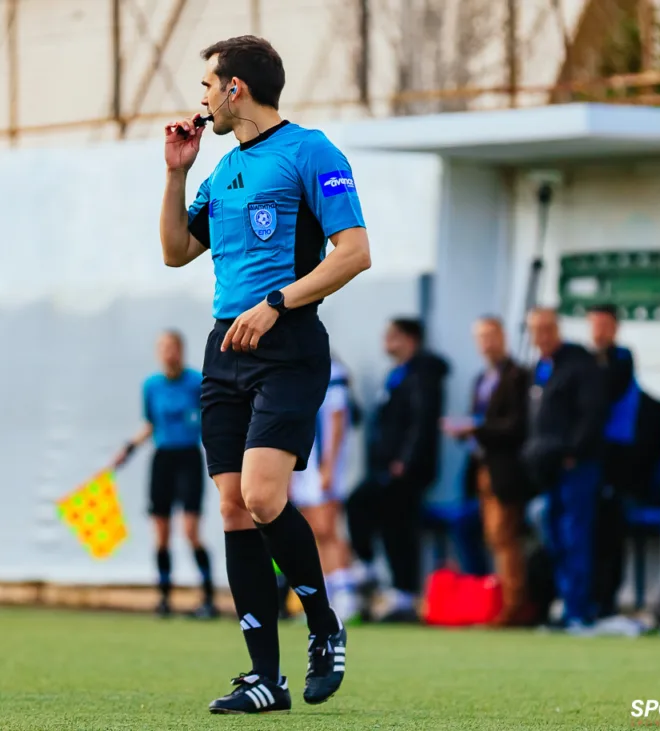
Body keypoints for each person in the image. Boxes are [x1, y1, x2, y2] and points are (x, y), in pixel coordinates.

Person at [160, 35, 372, 714]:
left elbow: (354, 253)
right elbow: (175, 251)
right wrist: (177, 173)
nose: (201, 98)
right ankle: (264, 678)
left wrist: (278, 302)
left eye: (207, 84)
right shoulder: (222, 169)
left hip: (289, 344)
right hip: (224, 348)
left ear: (235, 89)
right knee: (232, 506)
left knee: (261, 494)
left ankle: (324, 625)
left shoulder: (311, 151)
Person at [347, 318, 449, 623]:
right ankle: (393, 586)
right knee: (387, 522)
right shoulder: (396, 373)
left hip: (406, 468)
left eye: (392, 335)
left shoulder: (423, 374)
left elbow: (421, 420)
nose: (386, 341)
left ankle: (397, 587)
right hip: (386, 465)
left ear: (410, 339)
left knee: (394, 524)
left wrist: (406, 460)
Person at [112, 330, 216, 619]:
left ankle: (208, 598)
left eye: (173, 347)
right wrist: (128, 448)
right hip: (163, 459)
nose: (169, 353)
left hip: (189, 458)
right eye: (163, 348)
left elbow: (210, 419)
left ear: (181, 350)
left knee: (190, 530)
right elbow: (150, 424)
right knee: (160, 532)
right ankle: (164, 597)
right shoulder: (152, 386)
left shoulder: (196, 382)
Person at [522, 308, 606, 632]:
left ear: (557, 329)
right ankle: (565, 604)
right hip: (547, 468)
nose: (541, 336)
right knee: (554, 536)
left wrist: (574, 452)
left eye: (547, 329)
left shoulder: (580, 364)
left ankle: (578, 610)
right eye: (535, 330)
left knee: (575, 537)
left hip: (576, 467)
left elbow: (592, 413)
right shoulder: (540, 368)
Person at [444, 316, 532, 627]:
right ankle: (487, 599)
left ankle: (513, 606)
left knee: (504, 537)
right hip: (480, 470)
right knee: (479, 531)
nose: (486, 343)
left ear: (503, 336)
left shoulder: (518, 376)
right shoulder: (482, 378)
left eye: (491, 335)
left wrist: (476, 428)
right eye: (480, 337)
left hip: (505, 471)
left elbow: (517, 425)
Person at [288, 357, 359, 622]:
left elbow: (338, 418)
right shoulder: (294, 368)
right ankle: (325, 598)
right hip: (303, 465)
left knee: (328, 527)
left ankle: (347, 595)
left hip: (323, 463)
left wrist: (329, 465)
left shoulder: (331, 371)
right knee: (313, 532)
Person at [587, 304, 639, 620]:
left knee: (611, 531)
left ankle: (608, 600)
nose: (599, 331)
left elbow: (604, 393)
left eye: (605, 325)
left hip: (616, 460)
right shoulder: (582, 359)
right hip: (588, 457)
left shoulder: (622, 358)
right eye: (595, 325)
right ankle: (587, 599)